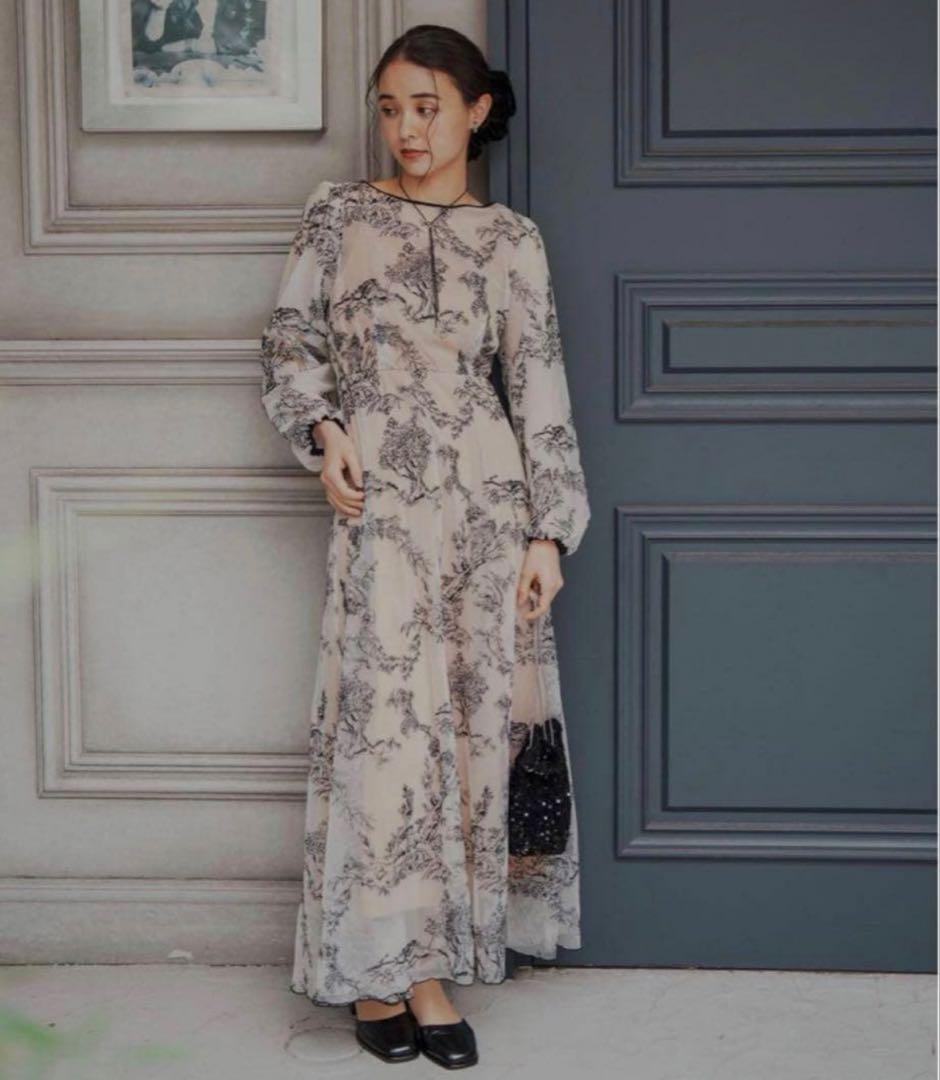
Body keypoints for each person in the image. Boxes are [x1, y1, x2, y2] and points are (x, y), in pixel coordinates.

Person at [259, 24, 591, 1070]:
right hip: (385, 514)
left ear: (475, 112)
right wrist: (325, 432)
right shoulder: (338, 215)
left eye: (428, 107)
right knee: (385, 739)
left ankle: (432, 972)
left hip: (487, 511)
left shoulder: (512, 239)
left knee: (471, 739)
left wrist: (549, 532)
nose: (406, 128)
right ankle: (380, 971)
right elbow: (290, 343)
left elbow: (538, 387)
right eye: (391, 107)